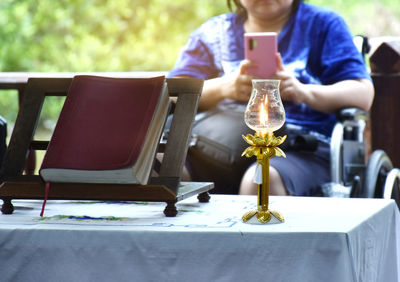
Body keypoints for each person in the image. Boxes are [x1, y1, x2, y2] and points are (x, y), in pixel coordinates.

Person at [168, 0, 374, 196]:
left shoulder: (323, 25)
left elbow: (362, 92)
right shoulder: (213, 33)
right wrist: (226, 87)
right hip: (220, 145)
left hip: (301, 146)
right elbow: (171, 94)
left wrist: (302, 92)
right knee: (165, 170)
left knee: (260, 181)